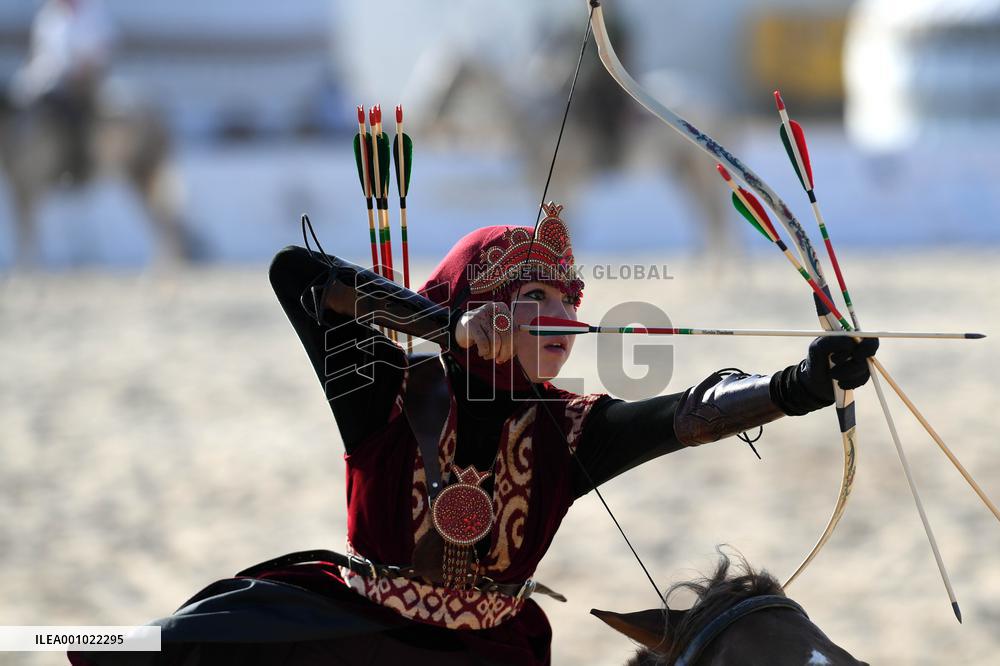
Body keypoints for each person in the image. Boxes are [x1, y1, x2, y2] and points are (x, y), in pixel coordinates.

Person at [68, 204, 877, 666]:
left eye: (569, 302)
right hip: (361, 638)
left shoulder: (566, 429)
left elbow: (687, 414)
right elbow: (295, 273)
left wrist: (799, 385)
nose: (563, 323)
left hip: (494, 659)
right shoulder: (384, 394)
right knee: (149, 652)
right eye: (536, 302)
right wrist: (442, 326)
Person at [9, 0, 115, 182]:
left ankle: (74, 166)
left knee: (73, 116)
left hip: (82, 82)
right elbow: (42, 52)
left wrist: (85, 66)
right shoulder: (49, 15)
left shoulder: (94, 11)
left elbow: (103, 48)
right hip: (51, 79)